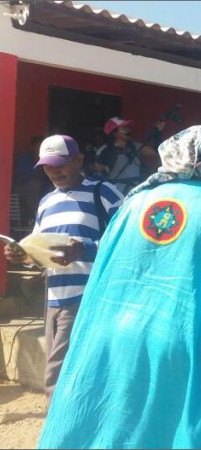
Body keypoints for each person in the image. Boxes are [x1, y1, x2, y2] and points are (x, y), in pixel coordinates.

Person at [37, 126, 201, 448]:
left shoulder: (134, 203)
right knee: (172, 429)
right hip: (192, 344)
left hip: (116, 335)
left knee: (121, 425)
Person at [4, 135, 123, 404]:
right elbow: (39, 251)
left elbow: (129, 238)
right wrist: (22, 255)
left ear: (79, 160)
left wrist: (85, 249)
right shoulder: (46, 202)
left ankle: (58, 431)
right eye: (47, 167)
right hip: (54, 298)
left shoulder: (103, 191)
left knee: (57, 373)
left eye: (60, 164)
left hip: (89, 294)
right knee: (61, 365)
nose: (54, 171)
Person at [93, 116, 162, 195]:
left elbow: (155, 152)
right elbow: (98, 169)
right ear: (114, 133)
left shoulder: (134, 146)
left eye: (127, 127)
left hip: (136, 189)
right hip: (116, 191)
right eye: (123, 128)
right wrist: (113, 149)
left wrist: (158, 133)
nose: (127, 130)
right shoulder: (105, 149)